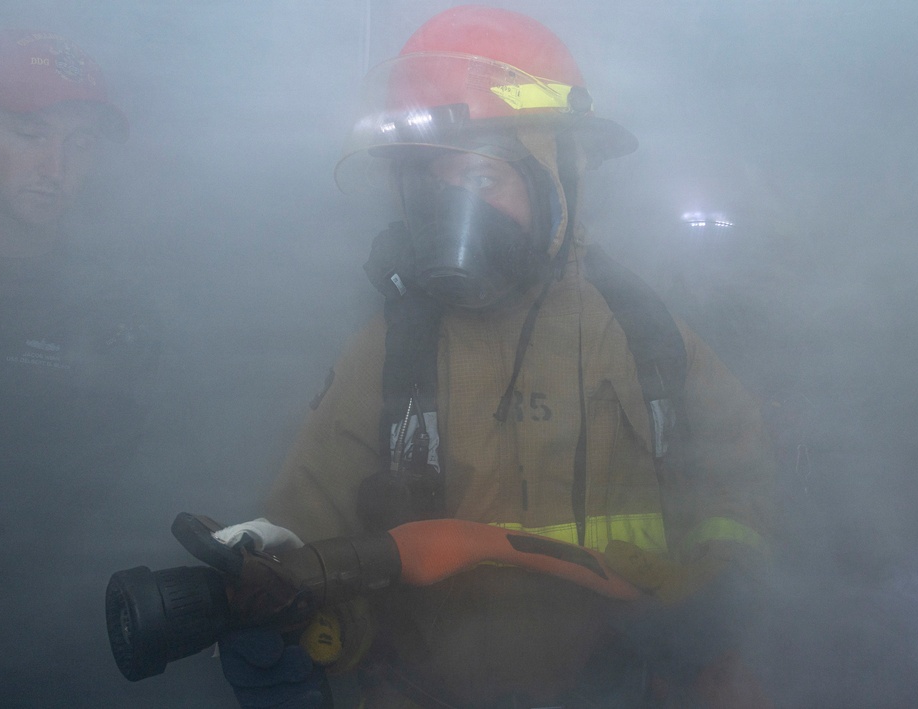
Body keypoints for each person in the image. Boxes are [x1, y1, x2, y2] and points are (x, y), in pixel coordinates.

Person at [218, 7, 775, 709]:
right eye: (436, 185)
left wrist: (714, 616)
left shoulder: (648, 335)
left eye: (483, 181)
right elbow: (304, 536)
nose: (457, 218)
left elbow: (741, 476)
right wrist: (285, 600)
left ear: (558, 178)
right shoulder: (391, 355)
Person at [0, 29, 160, 705]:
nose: (56, 166)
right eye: (30, 131)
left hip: (32, 649)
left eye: (81, 142)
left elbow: (101, 508)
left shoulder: (119, 312)